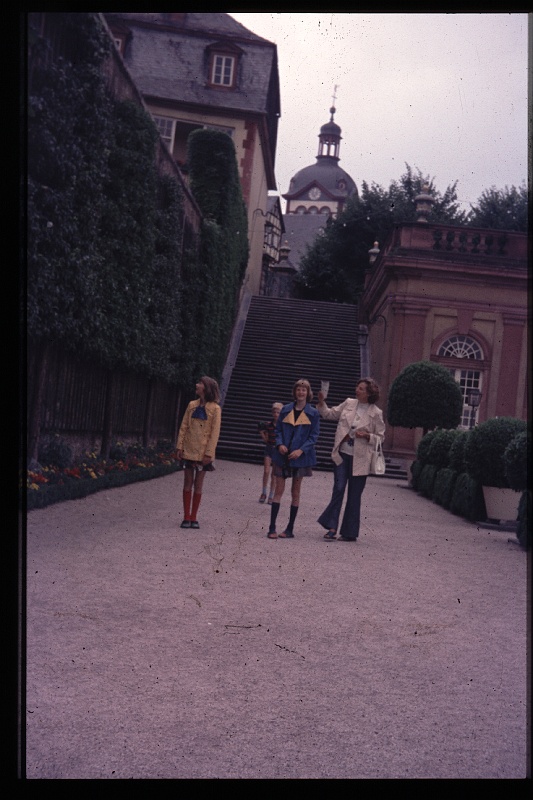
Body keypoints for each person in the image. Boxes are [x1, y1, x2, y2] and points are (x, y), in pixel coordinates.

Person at [317, 377, 385, 541]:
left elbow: (381, 437)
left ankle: (349, 532)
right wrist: (321, 402)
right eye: (357, 387)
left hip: (361, 459)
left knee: (354, 496)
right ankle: (332, 527)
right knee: (338, 489)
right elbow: (329, 414)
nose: (357, 390)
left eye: (361, 388)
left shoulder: (376, 413)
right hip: (342, 454)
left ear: (369, 393)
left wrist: (368, 436)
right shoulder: (348, 403)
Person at [267, 379, 320, 539]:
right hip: (282, 455)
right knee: (278, 491)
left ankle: (290, 528)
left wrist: (301, 450)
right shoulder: (285, 410)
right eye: (298, 389)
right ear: (295, 391)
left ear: (308, 392)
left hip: (300, 458)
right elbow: (278, 430)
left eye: (304, 390)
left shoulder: (314, 413)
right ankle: (272, 527)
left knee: (295, 492)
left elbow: (314, 436)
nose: (301, 392)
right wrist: (280, 444)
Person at [176, 376, 221, 530]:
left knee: (199, 484)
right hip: (189, 450)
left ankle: (194, 516)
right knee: (187, 482)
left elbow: (215, 433)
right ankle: (186, 516)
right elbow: (184, 427)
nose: (197, 385)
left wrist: (209, 453)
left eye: (200, 383)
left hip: (203, 454)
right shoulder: (191, 405)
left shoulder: (215, 409)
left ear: (207, 388)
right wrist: (179, 447)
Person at [258, 402, 283, 504]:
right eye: (275, 412)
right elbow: (262, 429)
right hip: (269, 449)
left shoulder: (282, 426)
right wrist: (264, 436)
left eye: (278, 412)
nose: (276, 414)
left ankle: (271, 495)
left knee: (274, 474)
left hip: (277, 450)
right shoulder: (269, 424)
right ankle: (264, 492)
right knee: (266, 471)